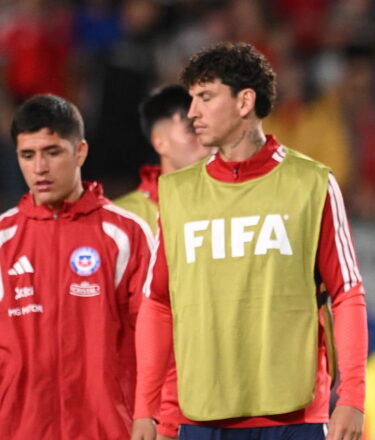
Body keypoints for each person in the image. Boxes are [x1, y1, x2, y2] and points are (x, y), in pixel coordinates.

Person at [131, 42, 368, 440]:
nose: (192, 113)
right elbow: (157, 303)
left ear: (244, 102)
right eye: (191, 100)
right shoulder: (176, 193)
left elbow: (347, 293)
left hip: (294, 416)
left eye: (205, 97)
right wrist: (145, 408)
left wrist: (353, 396)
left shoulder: (311, 184)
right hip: (202, 415)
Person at [0, 94, 153, 438]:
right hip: (19, 429)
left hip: (109, 428)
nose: (39, 167)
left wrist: (150, 413)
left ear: (80, 151)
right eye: (28, 155)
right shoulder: (2, 239)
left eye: (52, 152)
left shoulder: (125, 234)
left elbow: (153, 335)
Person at [114, 85, 210, 440]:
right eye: (189, 127)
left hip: (218, 399)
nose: (201, 135)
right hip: (151, 409)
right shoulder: (122, 221)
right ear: (160, 142)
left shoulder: (229, 208)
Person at [114, 84, 210, 234]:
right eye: (192, 131)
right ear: (160, 143)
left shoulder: (229, 202)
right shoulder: (121, 218)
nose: (207, 144)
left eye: (207, 130)